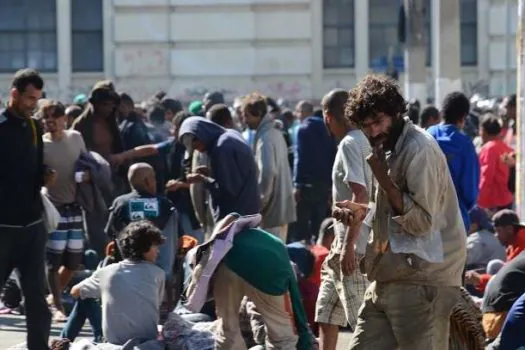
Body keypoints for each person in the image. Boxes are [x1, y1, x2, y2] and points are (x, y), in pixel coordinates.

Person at [340, 74, 466, 350]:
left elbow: (422, 223)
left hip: (423, 279)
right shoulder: (387, 148)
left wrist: (382, 178)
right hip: (389, 274)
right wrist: (363, 213)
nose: (373, 131)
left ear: (396, 113)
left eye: (378, 121)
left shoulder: (418, 149)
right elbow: (392, 214)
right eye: (366, 126)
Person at [316, 88, 372, 350]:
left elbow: (360, 194)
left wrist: (349, 247)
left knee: (363, 325)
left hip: (354, 247)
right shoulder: (363, 139)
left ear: (328, 117)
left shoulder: (350, 143)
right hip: (341, 245)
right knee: (325, 313)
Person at [0, 68, 52, 350]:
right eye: (29, 98)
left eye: (37, 99)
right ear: (14, 94)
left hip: (32, 227)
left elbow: (35, 166)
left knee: (37, 301)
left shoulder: (34, 126)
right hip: (3, 228)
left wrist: (45, 174)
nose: (33, 104)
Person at [70, 220, 166, 345]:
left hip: (114, 343)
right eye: (155, 246)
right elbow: (156, 303)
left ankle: (65, 339)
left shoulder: (106, 272)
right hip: (147, 342)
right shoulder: (158, 274)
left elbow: (74, 292)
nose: (158, 252)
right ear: (144, 248)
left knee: (84, 295)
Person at [42, 101, 88, 322]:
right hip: (54, 208)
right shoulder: (41, 145)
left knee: (73, 261)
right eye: (46, 118)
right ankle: (57, 306)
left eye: (54, 117)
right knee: (53, 260)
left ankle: (52, 295)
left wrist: (89, 175)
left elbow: (87, 163)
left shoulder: (76, 138)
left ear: (64, 119)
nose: (51, 122)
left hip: (75, 206)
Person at [178, 116, 261, 222]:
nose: (198, 150)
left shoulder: (222, 148)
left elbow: (228, 191)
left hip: (237, 217)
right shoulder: (230, 135)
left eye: (196, 146)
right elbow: (235, 174)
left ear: (201, 136)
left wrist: (203, 180)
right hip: (248, 209)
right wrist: (211, 173)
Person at [241, 93, 296, 241]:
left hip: (272, 211)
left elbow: (267, 172)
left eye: (247, 116)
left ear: (258, 114)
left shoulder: (265, 139)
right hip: (281, 207)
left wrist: (258, 203)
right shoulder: (275, 133)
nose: (245, 121)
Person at [427, 92, 480, 231]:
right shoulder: (465, 144)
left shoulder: (427, 135)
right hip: (454, 218)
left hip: (425, 215)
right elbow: (470, 190)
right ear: (463, 117)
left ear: (442, 112)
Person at [293, 100, 337, 243]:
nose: (296, 115)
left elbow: (300, 158)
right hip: (325, 182)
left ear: (303, 113)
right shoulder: (327, 127)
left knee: (303, 224)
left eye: (298, 112)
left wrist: (297, 184)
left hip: (307, 183)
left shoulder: (302, 129)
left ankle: (307, 255)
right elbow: (333, 154)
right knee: (320, 221)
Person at [477, 113, 514, 212]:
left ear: (483, 131)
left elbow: (486, 176)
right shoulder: (504, 147)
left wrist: (479, 201)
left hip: (493, 202)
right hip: (506, 198)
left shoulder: (489, 149)